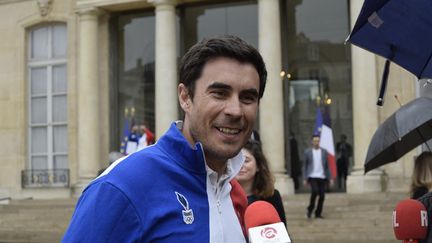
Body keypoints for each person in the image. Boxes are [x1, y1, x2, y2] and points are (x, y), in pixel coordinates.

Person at [62, 35, 267, 242]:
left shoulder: (235, 194)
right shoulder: (120, 186)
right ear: (185, 97)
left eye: (248, 98)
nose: (235, 110)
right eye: (219, 93)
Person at [235, 139, 287, 226]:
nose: (240, 165)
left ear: (258, 166)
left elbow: (282, 232)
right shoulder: (224, 197)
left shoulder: (271, 197)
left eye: (246, 161)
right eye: (236, 161)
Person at [303, 134, 332, 219]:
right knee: (315, 191)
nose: (316, 142)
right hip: (312, 176)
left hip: (322, 176)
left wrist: (329, 178)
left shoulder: (324, 151)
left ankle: (318, 213)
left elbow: (327, 166)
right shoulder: (307, 152)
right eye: (315, 141)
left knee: (322, 195)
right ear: (312, 142)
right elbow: (305, 165)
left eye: (318, 141)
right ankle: (310, 209)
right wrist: (305, 178)